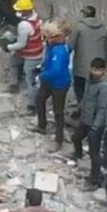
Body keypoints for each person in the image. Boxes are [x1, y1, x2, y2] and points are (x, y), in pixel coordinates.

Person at [73, 57, 107, 189]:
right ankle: (78, 154)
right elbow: (85, 97)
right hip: (85, 118)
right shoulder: (89, 79)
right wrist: (79, 108)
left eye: (98, 70)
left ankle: (96, 178)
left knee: (94, 152)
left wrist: (95, 127)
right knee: (76, 137)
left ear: (104, 71)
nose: (95, 72)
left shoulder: (105, 86)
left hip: (96, 123)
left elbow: (102, 109)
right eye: (93, 69)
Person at [35, 22, 72, 150]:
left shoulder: (60, 51)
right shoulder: (53, 46)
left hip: (59, 84)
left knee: (58, 112)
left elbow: (56, 70)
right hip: (50, 80)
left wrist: (41, 76)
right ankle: (41, 125)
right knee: (39, 99)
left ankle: (59, 140)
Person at [69, 5, 107, 103]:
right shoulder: (103, 28)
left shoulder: (79, 27)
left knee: (80, 87)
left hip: (81, 65)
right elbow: (106, 48)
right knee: (94, 88)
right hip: (98, 65)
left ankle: (81, 107)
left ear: (84, 15)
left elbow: (70, 45)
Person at [6, 0, 45, 98]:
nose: (18, 12)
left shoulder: (24, 25)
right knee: (14, 61)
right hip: (37, 51)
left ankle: (32, 104)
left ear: (25, 11)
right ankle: (14, 83)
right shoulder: (37, 18)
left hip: (30, 55)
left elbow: (21, 44)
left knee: (30, 80)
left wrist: (8, 47)